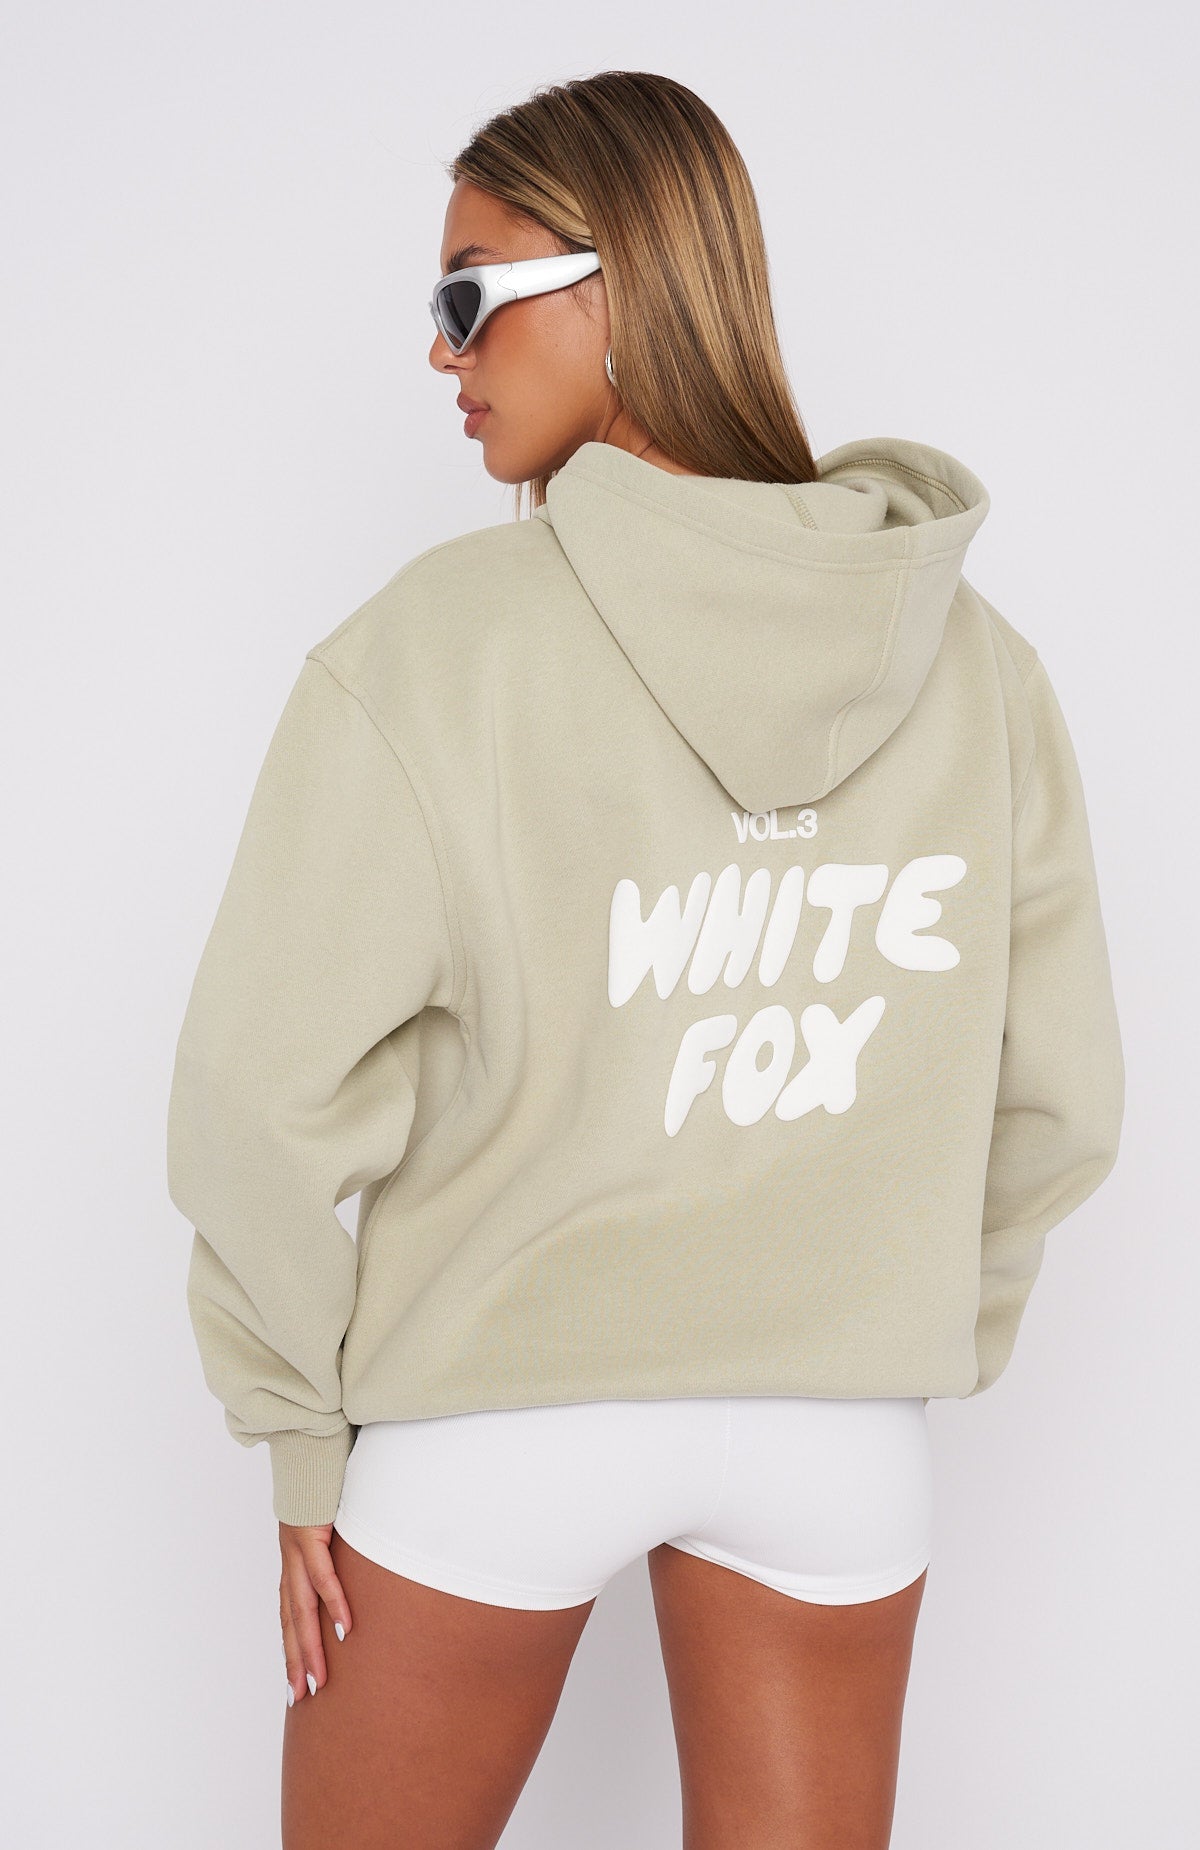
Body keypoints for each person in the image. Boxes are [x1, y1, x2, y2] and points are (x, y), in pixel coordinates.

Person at [165, 70, 1125, 1850]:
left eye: (469, 296)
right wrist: (894, 1317)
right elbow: (1061, 1097)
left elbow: (258, 1087)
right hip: (839, 1438)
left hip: (498, 1417)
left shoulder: (433, 649)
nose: (441, 354)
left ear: (617, 291)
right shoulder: (976, 662)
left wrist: (297, 1425)